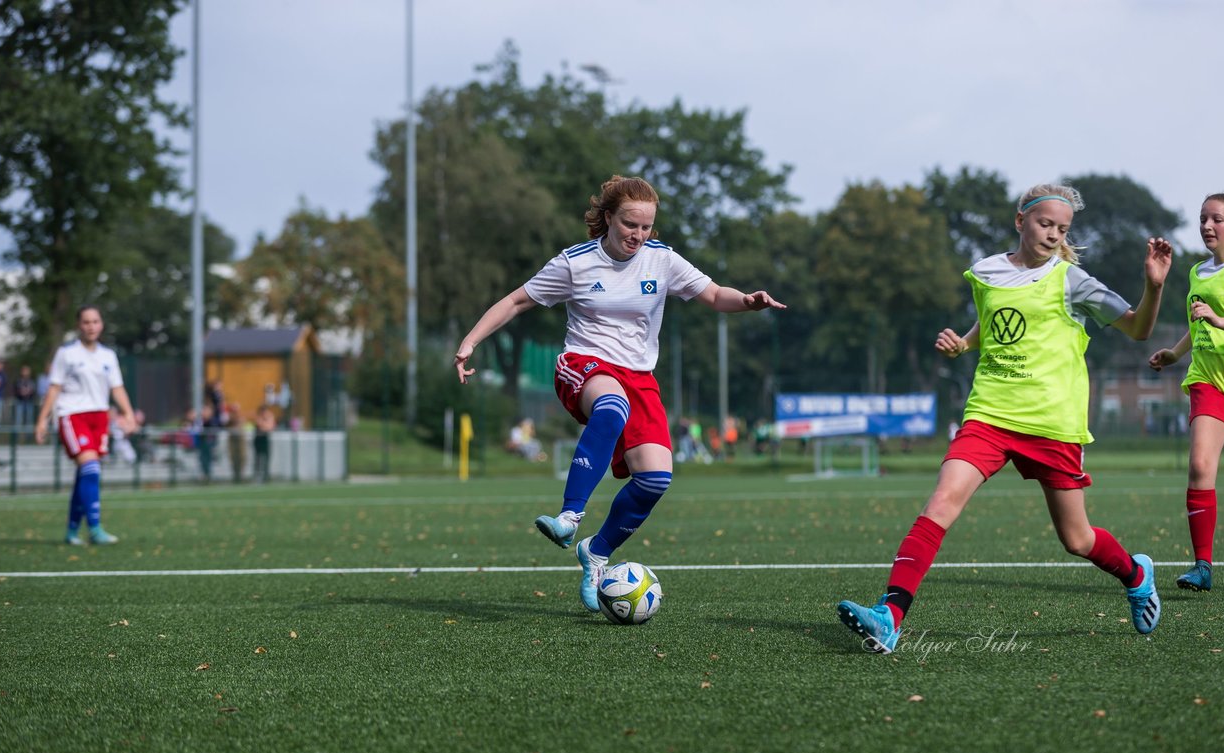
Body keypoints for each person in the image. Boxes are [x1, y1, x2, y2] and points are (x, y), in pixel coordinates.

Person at [836, 183, 1173, 653]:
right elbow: (993, 323)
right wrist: (964, 344)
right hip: (990, 412)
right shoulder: (985, 271)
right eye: (1044, 224)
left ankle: (1136, 574)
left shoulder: (1072, 280)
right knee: (941, 502)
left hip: (1052, 422)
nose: (1054, 234)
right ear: (1021, 221)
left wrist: (1153, 286)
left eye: (1062, 228)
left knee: (1076, 539)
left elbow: (1139, 329)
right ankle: (889, 615)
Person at [454, 174, 786, 611]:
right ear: (608, 218)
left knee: (655, 479)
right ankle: (569, 517)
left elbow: (712, 294)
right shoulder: (576, 263)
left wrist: (746, 301)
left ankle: (596, 552)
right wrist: (470, 342)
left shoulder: (661, 260)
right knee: (611, 407)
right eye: (631, 224)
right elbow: (517, 301)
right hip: (584, 365)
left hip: (640, 377)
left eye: (647, 227)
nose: (639, 235)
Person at [1148, 192, 1224, 592]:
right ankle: (1202, 565)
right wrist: (1175, 353)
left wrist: (1219, 320)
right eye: (1202, 219)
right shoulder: (1199, 271)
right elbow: (1200, 325)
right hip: (1208, 381)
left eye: (1216, 219)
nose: (1206, 226)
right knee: (1200, 466)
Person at [34, 305, 137, 545]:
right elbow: (54, 387)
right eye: (86, 322)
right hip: (72, 415)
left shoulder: (108, 356)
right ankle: (95, 529)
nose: (91, 326)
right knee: (91, 469)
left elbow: (117, 387)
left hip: (99, 417)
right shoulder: (66, 354)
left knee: (85, 475)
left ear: (101, 325)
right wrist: (42, 419)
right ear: (78, 326)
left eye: (95, 322)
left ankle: (71, 531)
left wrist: (129, 413)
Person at [253, 403, 276, 482]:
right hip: (258, 439)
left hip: (265, 439)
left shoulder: (269, 417)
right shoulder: (259, 417)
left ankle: (266, 476)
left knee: (266, 458)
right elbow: (260, 425)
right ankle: (257, 476)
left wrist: (264, 423)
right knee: (258, 459)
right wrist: (264, 424)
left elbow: (269, 427)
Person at [13, 365, 37, 437]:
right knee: (18, 418)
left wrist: (28, 393)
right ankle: (17, 435)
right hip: (20, 401)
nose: (25, 372)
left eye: (27, 371)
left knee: (29, 418)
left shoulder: (31, 381)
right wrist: (21, 393)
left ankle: (28, 435)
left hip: (29, 401)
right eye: (24, 370)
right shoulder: (18, 381)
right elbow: (15, 390)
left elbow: (33, 390)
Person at [226, 401, 247, 483]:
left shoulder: (241, 418)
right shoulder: (229, 418)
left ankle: (240, 476)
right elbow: (227, 424)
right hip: (232, 441)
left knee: (241, 458)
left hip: (240, 441)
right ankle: (235, 476)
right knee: (233, 458)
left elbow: (241, 425)